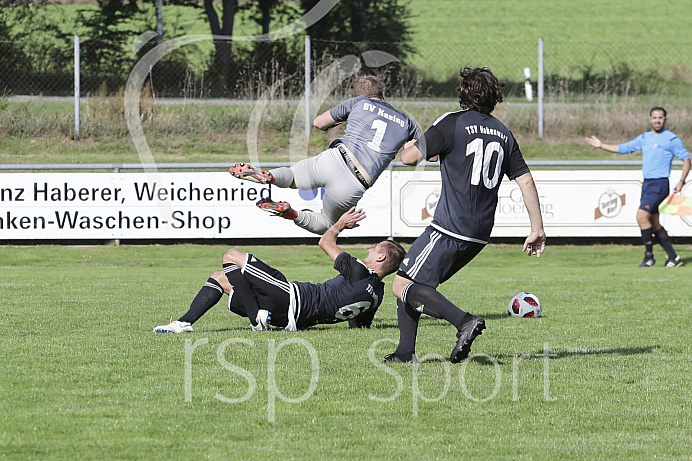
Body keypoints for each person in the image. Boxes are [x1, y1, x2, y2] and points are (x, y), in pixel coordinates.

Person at [383, 67, 546, 364]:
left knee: (401, 284)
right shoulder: (503, 132)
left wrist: (415, 140)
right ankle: (405, 353)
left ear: (463, 93)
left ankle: (464, 321)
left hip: (449, 226)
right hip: (479, 232)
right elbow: (526, 180)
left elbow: (408, 158)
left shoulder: (451, 122)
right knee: (416, 285)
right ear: (495, 97)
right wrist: (537, 229)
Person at [153, 207, 406, 333]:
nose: (369, 251)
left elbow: (325, 242)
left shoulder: (359, 270)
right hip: (294, 321)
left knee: (231, 256)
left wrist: (340, 224)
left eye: (374, 249)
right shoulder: (377, 294)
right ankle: (183, 323)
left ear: (381, 257)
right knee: (221, 278)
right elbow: (358, 326)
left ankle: (256, 319)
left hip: (289, 298)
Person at [228, 75, 422, 235]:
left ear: (358, 94)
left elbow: (319, 122)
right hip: (356, 182)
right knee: (329, 224)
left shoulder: (359, 102)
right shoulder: (408, 122)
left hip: (336, 158)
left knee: (292, 175)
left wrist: (341, 119)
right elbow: (418, 157)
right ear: (381, 94)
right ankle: (292, 214)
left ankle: (270, 176)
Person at [585, 107, 690, 267]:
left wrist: (681, 180)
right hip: (647, 184)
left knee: (641, 216)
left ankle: (649, 256)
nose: (657, 120)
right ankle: (674, 257)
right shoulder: (645, 137)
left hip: (660, 184)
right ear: (650, 119)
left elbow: (686, 159)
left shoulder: (671, 139)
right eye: (654, 118)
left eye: (660, 118)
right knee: (653, 222)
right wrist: (601, 145)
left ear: (665, 119)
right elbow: (624, 148)